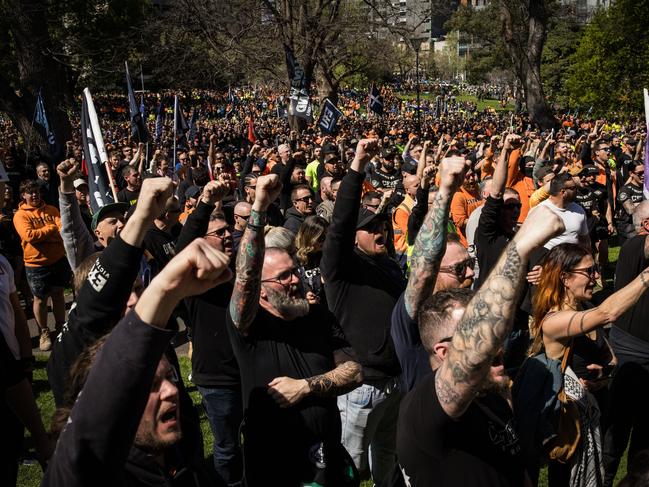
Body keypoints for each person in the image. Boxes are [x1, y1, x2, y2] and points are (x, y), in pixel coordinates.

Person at [397, 203, 564, 487]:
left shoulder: (491, 394)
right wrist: (520, 247)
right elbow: (473, 357)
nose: (494, 346)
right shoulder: (425, 409)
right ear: (445, 352)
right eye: (478, 338)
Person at [43, 238, 233, 487]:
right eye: (148, 384)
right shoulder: (77, 360)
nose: (133, 300)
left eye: (139, 289)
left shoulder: (157, 339)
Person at [226, 174, 363, 486]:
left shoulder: (315, 314)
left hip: (328, 465)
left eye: (296, 272)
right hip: (278, 469)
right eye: (285, 276)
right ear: (261, 291)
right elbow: (246, 275)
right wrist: (259, 208)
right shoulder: (249, 327)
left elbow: (354, 371)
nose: (296, 280)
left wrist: (305, 386)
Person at [321, 139, 406, 485]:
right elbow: (340, 222)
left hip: (395, 381)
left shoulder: (389, 266)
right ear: (354, 237)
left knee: (388, 457)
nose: (379, 231)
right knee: (350, 464)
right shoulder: (341, 268)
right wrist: (356, 164)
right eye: (370, 227)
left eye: (381, 225)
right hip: (361, 386)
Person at [529, 242, 649, 486]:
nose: (596, 276)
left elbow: (611, 357)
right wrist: (646, 277)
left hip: (593, 411)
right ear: (565, 278)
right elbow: (608, 314)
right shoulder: (554, 321)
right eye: (589, 271)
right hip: (567, 425)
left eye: (595, 269)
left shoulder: (585, 307)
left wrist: (604, 375)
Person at [176, 180, 243, 486]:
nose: (228, 234)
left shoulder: (236, 270)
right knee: (227, 445)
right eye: (220, 233)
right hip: (217, 378)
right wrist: (204, 204)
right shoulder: (194, 280)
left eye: (229, 229)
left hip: (247, 368)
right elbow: (183, 246)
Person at [391, 156, 474, 392]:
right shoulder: (415, 315)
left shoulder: (468, 300)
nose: (470, 272)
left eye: (470, 263)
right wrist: (445, 190)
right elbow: (424, 267)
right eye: (459, 268)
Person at [602, 201, 649, 486]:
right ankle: (604, 479)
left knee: (645, 431)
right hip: (629, 350)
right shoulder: (635, 247)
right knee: (617, 426)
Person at [13, 179, 70, 351]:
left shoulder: (52, 210)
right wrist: (51, 230)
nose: (34, 195)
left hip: (58, 260)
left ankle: (60, 326)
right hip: (36, 264)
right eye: (30, 192)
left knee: (58, 294)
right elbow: (30, 236)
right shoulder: (20, 215)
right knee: (40, 299)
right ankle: (43, 331)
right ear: (23, 195)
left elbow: (63, 230)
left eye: (36, 191)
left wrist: (45, 235)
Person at [295, 215, 328, 303]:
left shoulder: (325, 253)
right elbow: (298, 281)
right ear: (310, 237)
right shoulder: (294, 256)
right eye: (321, 238)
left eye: (327, 238)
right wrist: (306, 291)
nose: (325, 242)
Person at [616, 160, 644, 245]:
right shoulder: (625, 190)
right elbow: (630, 210)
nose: (643, 175)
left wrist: (637, 204)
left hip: (644, 226)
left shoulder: (646, 189)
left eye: (645, 172)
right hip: (629, 228)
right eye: (640, 173)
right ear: (631, 173)